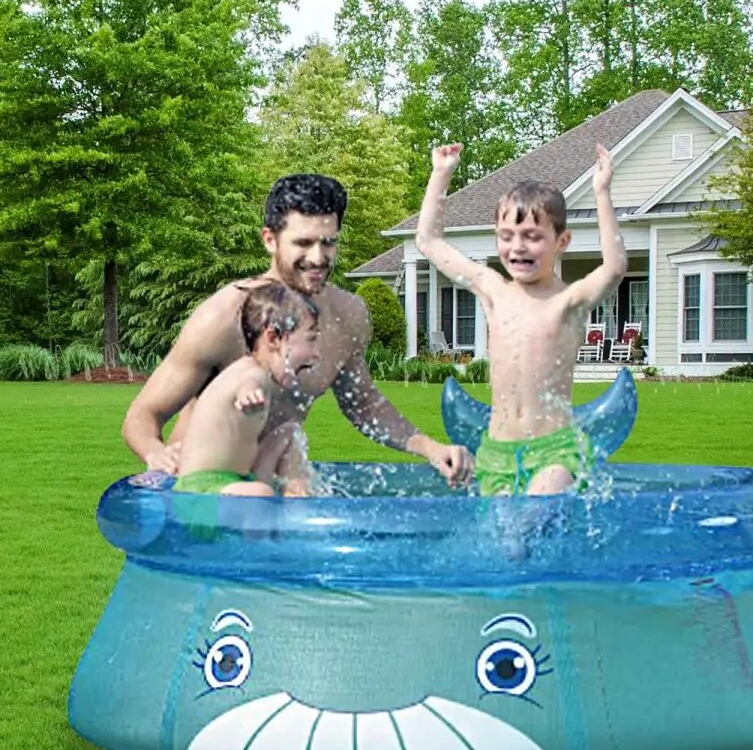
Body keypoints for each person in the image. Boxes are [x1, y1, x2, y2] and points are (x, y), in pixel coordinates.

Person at [122, 173, 472, 487]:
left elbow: (363, 405)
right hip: (201, 488)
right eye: (303, 243)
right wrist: (156, 454)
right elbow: (143, 415)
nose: (318, 257)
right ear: (269, 239)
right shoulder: (223, 318)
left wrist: (430, 448)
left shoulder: (347, 316)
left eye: (328, 242)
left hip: (269, 484)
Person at [415, 142, 627, 496]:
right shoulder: (493, 291)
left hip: (554, 451)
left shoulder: (569, 301)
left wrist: (602, 193)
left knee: (530, 515)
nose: (518, 247)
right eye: (507, 236)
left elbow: (615, 268)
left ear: (562, 241)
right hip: (496, 452)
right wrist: (440, 175)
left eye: (532, 236)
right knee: (507, 533)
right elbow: (428, 242)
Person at [172, 282, 321, 498]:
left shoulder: (258, 371)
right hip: (200, 491)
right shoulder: (251, 373)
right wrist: (248, 393)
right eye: (310, 339)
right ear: (273, 338)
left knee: (288, 433)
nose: (316, 354)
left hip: (237, 481)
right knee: (261, 492)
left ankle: (296, 496)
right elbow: (247, 383)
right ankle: (291, 510)